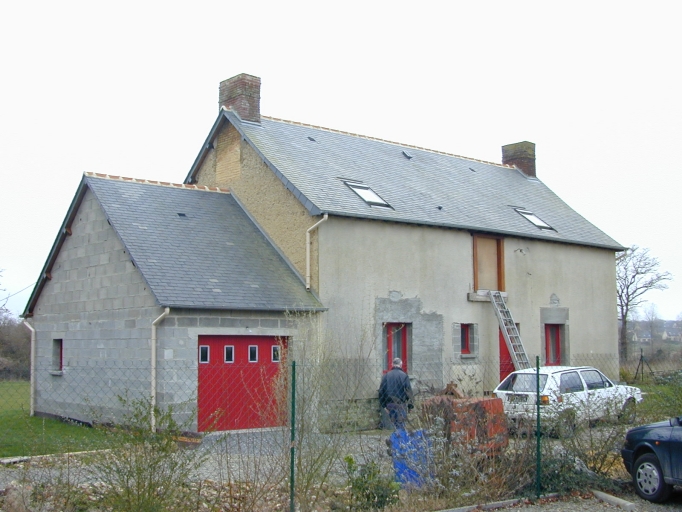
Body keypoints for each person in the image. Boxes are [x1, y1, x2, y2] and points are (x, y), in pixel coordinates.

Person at [378, 358, 414, 430]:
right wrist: (410, 406)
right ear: (401, 365)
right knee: (401, 425)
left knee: (394, 424)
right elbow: (409, 392)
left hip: (390, 404)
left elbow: (381, 392)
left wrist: (384, 406)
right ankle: (400, 436)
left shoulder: (386, 376)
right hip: (400, 404)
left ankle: (398, 435)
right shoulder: (404, 376)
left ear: (392, 364)